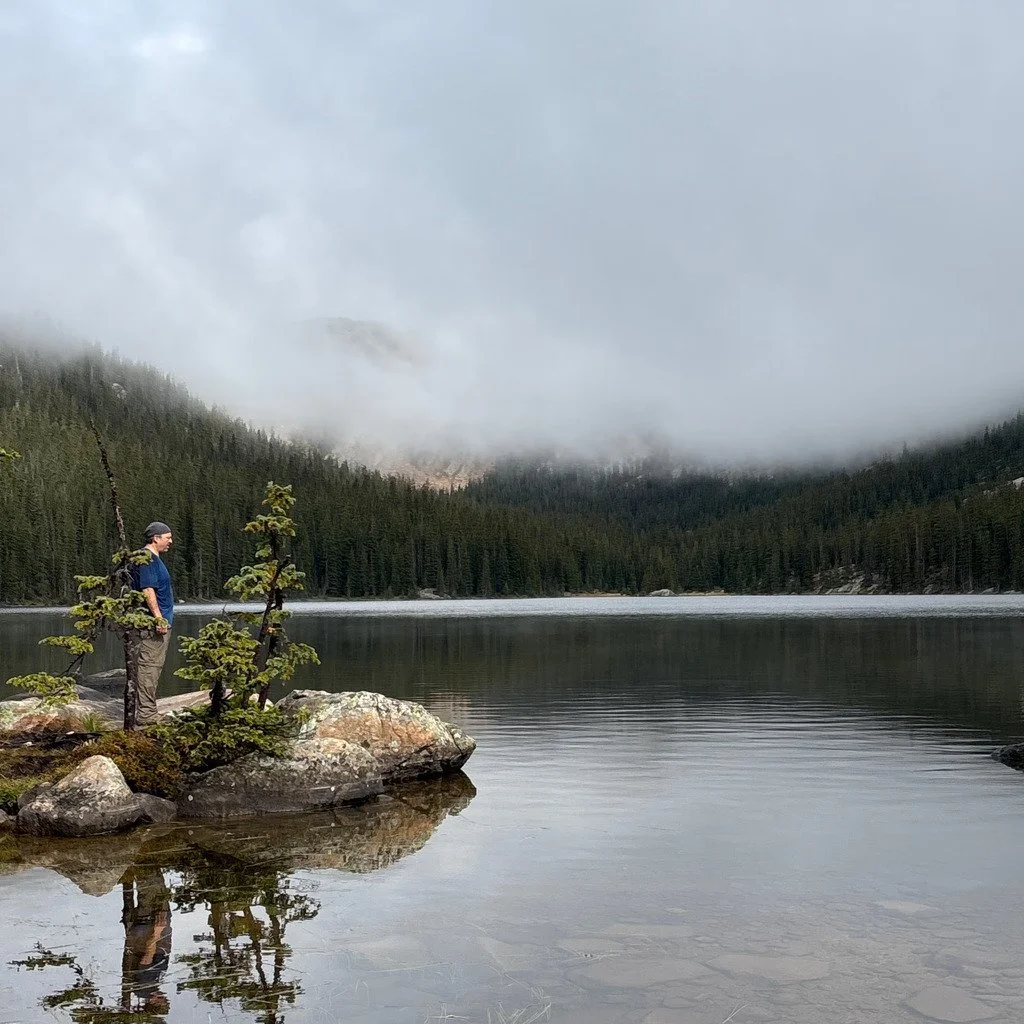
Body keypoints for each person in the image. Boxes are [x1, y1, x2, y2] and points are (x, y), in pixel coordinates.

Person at [130, 521, 174, 728]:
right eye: (168, 537)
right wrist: (158, 617)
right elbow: (148, 589)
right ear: (155, 538)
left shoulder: (152, 559)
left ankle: (146, 710)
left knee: (152, 667)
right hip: (153, 624)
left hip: (156, 621)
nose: (170, 542)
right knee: (149, 667)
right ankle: (146, 714)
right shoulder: (147, 559)